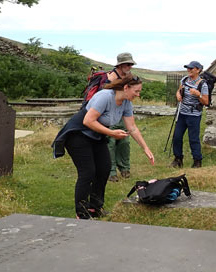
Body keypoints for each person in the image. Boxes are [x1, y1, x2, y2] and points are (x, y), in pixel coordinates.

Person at [52, 76, 155, 219]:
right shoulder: (105, 97)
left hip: (97, 136)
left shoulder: (126, 103)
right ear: (126, 88)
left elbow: (132, 127)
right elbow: (88, 120)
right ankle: (81, 212)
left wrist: (145, 148)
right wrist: (112, 133)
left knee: (104, 169)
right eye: (136, 91)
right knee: (87, 172)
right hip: (78, 134)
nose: (138, 95)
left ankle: (95, 208)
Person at [170, 61, 208, 169]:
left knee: (193, 139)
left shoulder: (202, 84)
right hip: (182, 113)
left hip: (194, 115)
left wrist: (198, 94)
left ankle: (197, 161)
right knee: (177, 137)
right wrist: (178, 95)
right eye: (188, 68)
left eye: (191, 68)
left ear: (198, 70)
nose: (189, 70)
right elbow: (179, 90)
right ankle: (178, 159)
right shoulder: (184, 80)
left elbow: (206, 101)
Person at [107, 52, 136, 182]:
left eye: (131, 64)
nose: (129, 66)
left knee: (124, 142)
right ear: (120, 64)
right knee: (110, 143)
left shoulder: (128, 76)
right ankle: (111, 172)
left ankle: (124, 169)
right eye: (127, 64)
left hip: (123, 113)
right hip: (111, 113)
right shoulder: (111, 76)